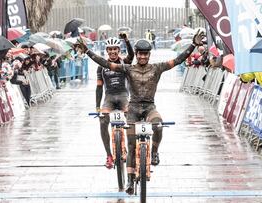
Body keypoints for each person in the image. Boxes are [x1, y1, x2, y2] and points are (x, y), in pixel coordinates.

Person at [78, 30, 204, 195]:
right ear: (136, 54)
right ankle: (130, 181)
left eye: (145, 54)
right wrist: (87, 51)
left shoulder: (158, 68)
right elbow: (106, 64)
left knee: (158, 125)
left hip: (150, 107)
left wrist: (193, 45)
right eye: (140, 54)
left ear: (149, 55)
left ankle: (154, 152)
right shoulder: (128, 69)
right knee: (131, 146)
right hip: (133, 109)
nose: (143, 57)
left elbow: (179, 60)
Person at [97, 33, 134, 169]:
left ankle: (131, 150)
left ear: (119, 50)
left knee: (131, 118)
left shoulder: (124, 62)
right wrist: (97, 107)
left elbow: (132, 56)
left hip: (123, 95)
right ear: (107, 51)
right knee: (102, 121)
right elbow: (99, 87)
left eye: (115, 49)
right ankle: (109, 155)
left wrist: (126, 40)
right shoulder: (102, 66)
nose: (112, 51)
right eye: (110, 49)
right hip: (109, 97)